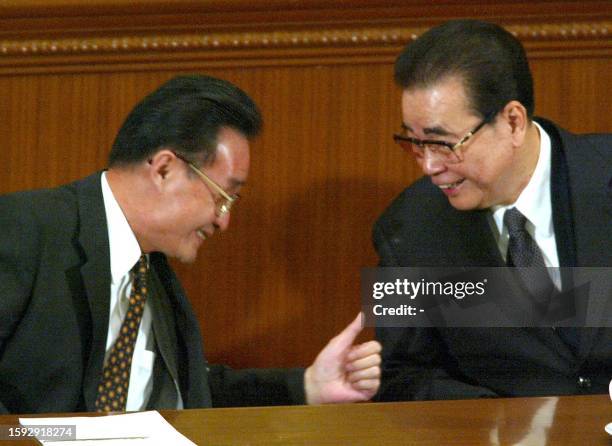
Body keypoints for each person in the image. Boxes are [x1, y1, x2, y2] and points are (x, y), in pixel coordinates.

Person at [0, 75, 381, 414]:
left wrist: (307, 387)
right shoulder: (22, 230)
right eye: (222, 195)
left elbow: (188, 396)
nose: (223, 219)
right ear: (164, 169)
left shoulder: (153, 274)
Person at [374, 19, 611, 401]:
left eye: (443, 143)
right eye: (414, 143)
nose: (429, 166)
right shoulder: (406, 231)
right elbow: (400, 376)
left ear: (513, 121)